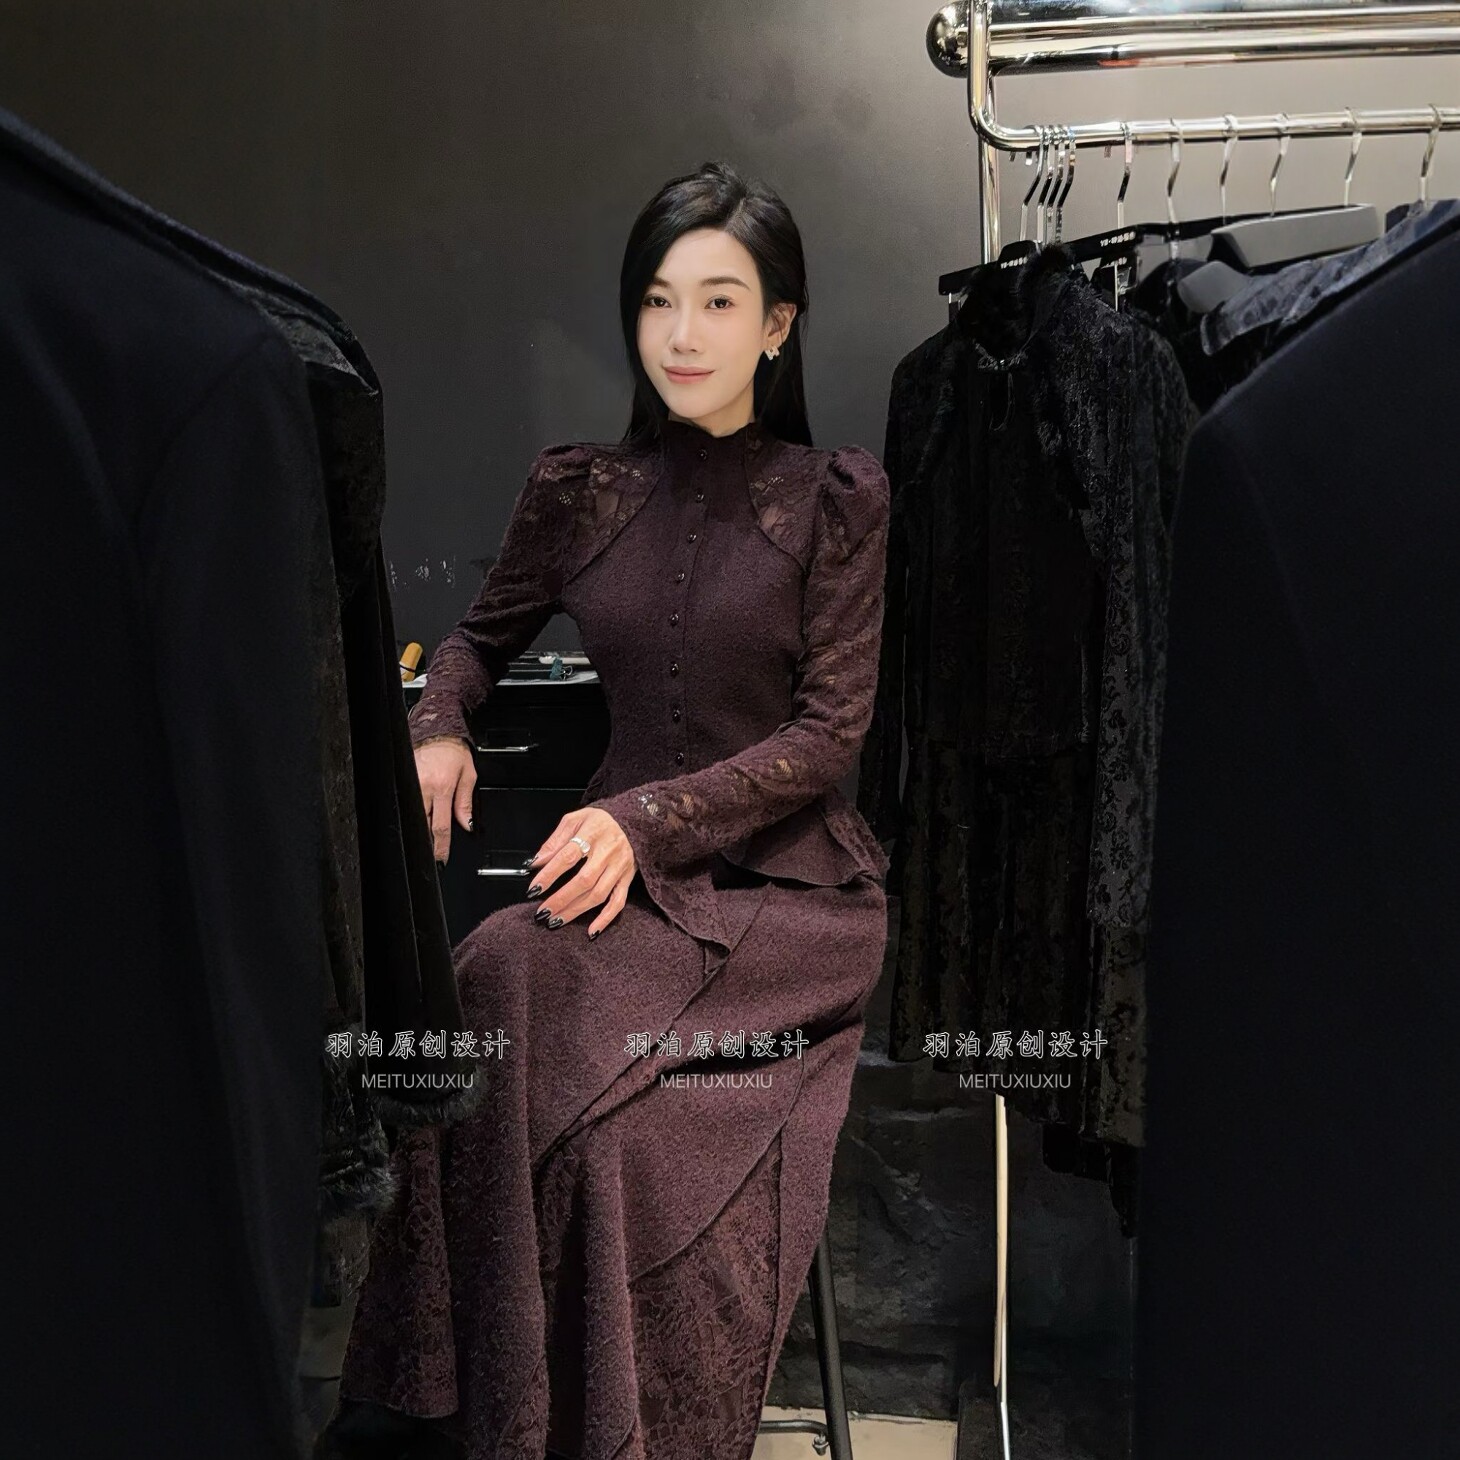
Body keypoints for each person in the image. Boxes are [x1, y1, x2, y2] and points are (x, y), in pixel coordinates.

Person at [321, 159, 891, 1460]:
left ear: (779, 324)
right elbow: (475, 641)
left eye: (720, 302)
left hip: (791, 904)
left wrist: (644, 822)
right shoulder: (580, 490)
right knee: (485, 977)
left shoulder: (835, 500)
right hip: (627, 896)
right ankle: (449, 1415)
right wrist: (437, 726)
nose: (683, 333)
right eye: (657, 301)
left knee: (589, 1123)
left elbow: (828, 736)